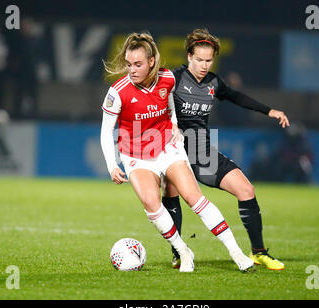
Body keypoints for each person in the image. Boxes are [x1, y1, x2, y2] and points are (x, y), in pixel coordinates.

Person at [100, 32, 255, 272]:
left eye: (138, 64)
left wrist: (173, 123)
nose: (132, 70)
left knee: (195, 198)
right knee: (151, 202)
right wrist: (112, 165)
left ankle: (236, 253)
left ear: (152, 61)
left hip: (167, 148)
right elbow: (105, 132)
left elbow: (170, 104)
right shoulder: (117, 92)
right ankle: (183, 250)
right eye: (129, 64)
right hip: (136, 156)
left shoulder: (167, 79)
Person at [163, 29, 290, 270]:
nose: (203, 65)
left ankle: (259, 253)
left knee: (246, 189)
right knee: (171, 192)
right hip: (173, 151)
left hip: (202, 153)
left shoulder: (213, 82)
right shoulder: (173, 78)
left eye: (208, 60)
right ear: (189, 56)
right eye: (199, 59)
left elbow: (236, 96)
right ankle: (179, 252)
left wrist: (269, 111)